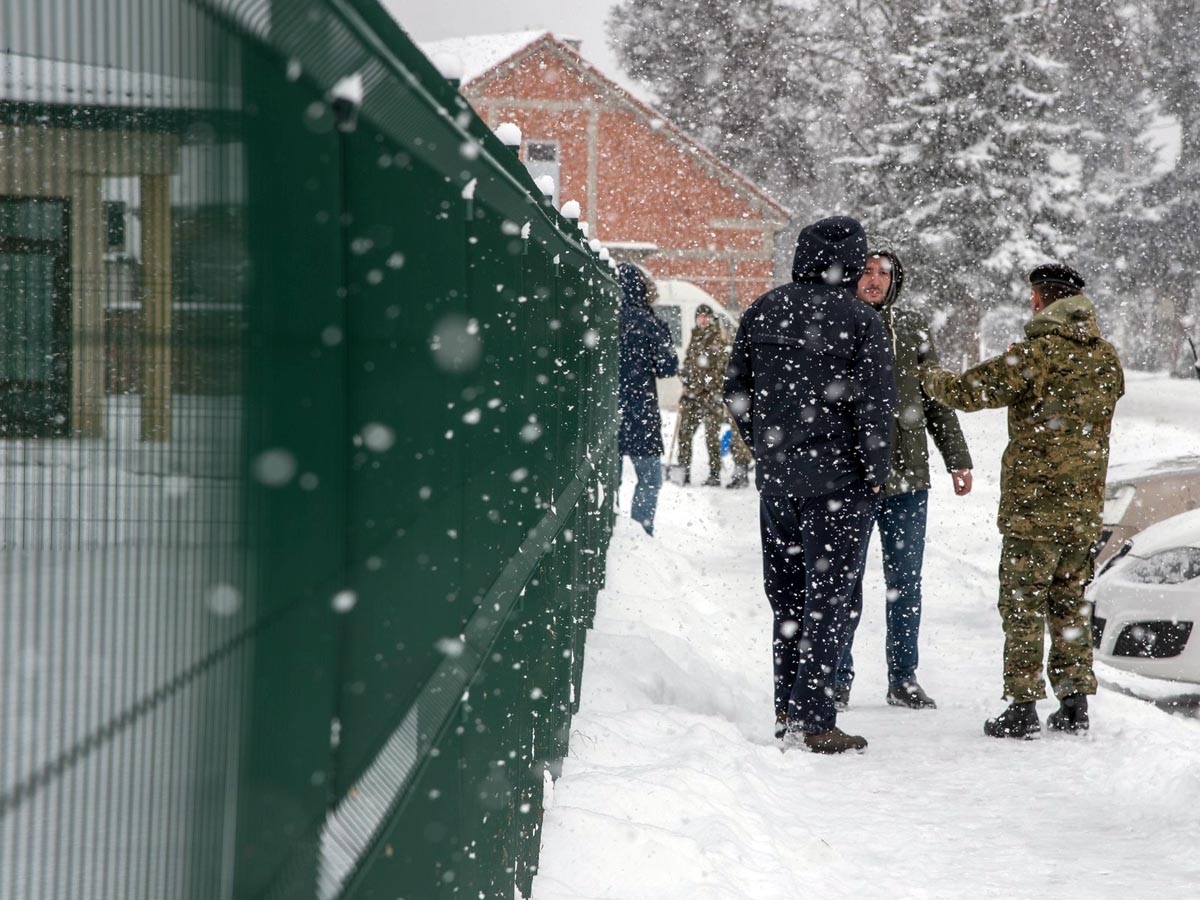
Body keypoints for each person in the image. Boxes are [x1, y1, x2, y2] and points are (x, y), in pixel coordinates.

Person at [922, 263, 1124, 738]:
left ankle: (1022, 706)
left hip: (1035, 510)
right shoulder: (1107, 357)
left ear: (1040, 302)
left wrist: (927, 374)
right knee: (1069, 603)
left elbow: (965, 392)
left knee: (1023, 604)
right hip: (1083, 509)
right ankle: (1075, 703)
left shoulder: (1036, 355)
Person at [724, 216, 897, 754]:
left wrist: (769, 448)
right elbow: (875, 411)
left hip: (780, 484)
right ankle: (814, 719)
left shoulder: (763, 309)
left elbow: (736, 390)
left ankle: (787, 707)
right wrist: (873, 477)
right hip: (839, 484)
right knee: (832, 600)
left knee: (789, 601)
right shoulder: (862, 322)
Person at [835, 248, 974, 711]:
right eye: (867, 272)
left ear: (896, 280)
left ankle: (903, 678)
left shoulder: (912, 326)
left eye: (884, 273)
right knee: (843, 581)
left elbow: (934, 399)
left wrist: (957, 457)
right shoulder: (837, 321)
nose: (874, 280)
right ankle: (837, 677)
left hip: (907, 478)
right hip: (851, 477)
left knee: (905, 582)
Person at [617, 262, 679, 536]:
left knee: (608, 481)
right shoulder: (648, 322)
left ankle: (610, 529)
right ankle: (640, 533)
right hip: (641, 411)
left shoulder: (603, 318)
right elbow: (668, 368)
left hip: (608, 412)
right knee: (649, 479)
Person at [677, 304, 728, 486]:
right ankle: (683, 471)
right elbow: (691, 363)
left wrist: (699, 383)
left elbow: (715, 368)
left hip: (710, 396)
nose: (703, 320)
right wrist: (685, 375)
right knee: (685, 434)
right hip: (693, 396)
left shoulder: (716, 338)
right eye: (700, 316)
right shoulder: (695, 336)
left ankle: (714, 474)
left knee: (711, 437)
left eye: (706, 316)